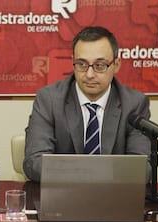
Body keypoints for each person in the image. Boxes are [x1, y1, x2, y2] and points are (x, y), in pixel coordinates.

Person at [23, 26, 151, 182]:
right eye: (82, 64)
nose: (89, 74)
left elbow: (142, 168)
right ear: (73, 62)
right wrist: (92, 173)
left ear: (116, 65)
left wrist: (82, 172)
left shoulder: (134, 104)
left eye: (100, 65)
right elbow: (34, 163)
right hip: (61, 197)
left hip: (114, 198)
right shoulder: (49, 99)